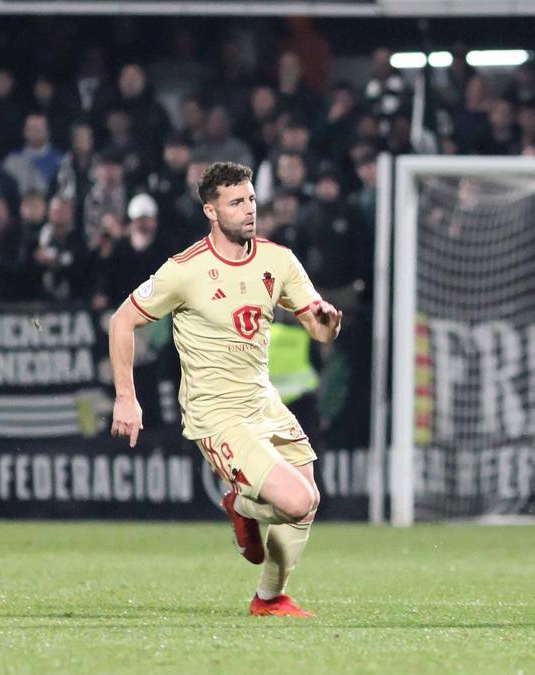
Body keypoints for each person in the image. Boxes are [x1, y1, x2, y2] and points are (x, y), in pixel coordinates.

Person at [108, 162, 343, 618]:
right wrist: (125, 396)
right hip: (216, 412)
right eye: (236, 203)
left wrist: (329, 324)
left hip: (263, 401)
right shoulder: (185, 270)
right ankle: (242, 506)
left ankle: (268, 599)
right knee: (298, 501)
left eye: (251, 199)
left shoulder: (279, 260)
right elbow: (123, 320)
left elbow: (318, 329)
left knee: (308, 501)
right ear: (211, 211)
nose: (249, 209)